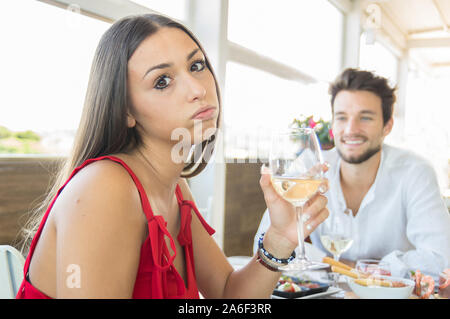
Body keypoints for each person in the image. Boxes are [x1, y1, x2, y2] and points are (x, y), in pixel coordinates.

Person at [15, 14, 329, 299]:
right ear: (125, 110)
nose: (197, 89)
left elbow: (227, 294)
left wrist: (279, 239)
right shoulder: (104, 188)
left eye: (196, 65)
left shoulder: (174, 187)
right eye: (162, 81)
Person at [255, 68, 450, 280]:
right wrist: (349, 268)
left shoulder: (415, 172)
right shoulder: (311, 165)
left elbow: (441, 257)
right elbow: (263, 247)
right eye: (341, 117)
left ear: (387, 126)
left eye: (365, 118)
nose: (350, 129)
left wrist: (354, 269)